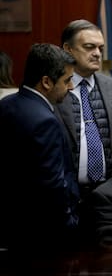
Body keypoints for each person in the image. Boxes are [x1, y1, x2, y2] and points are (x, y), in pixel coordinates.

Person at [0, 43, 79, 251]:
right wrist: (69, 224)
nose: (71, 87)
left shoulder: (6, 104)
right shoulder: (45, 120)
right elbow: (52, 185)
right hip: (44, 235)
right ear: (46, 81)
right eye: (67, 80)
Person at [55, 19, 112, 198]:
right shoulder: (53, 88)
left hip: (111, 192)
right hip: (65, 192)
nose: (97, 54)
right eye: (89, 47)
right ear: (68, 49)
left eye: (100, 48)